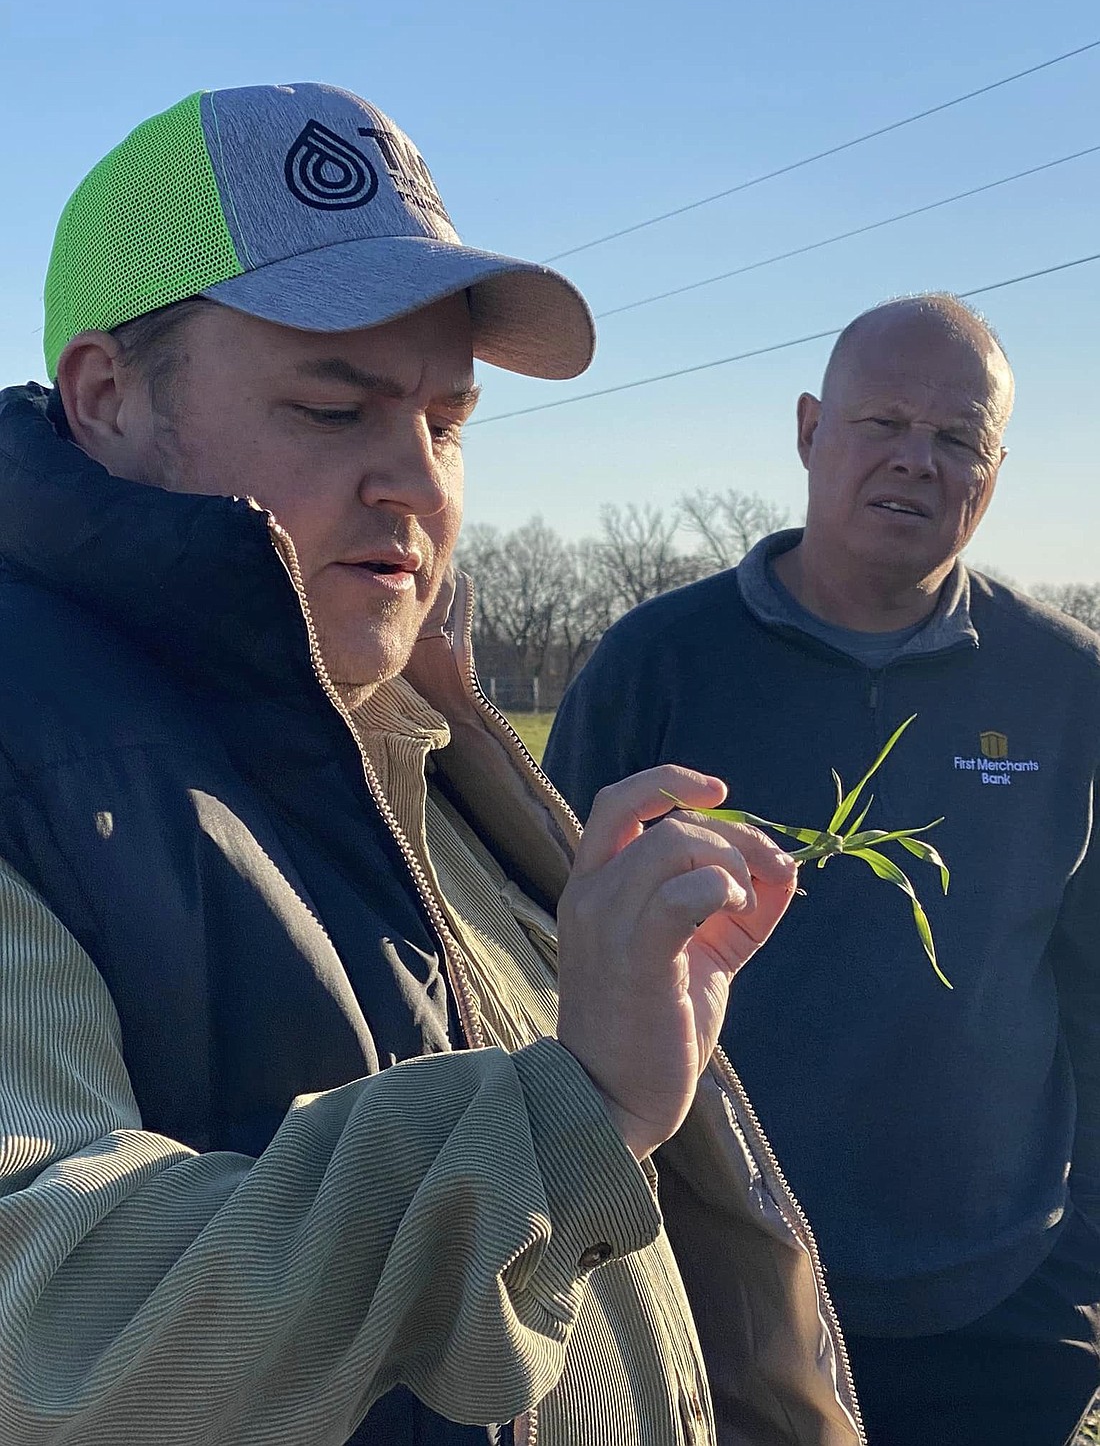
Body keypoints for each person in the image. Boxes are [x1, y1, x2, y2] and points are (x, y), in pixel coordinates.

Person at [0, 83, 867, 1446]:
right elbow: (52, 1335)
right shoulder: (31, 754)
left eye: (448, 420)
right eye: (336, 406)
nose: (418, 478)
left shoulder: (409, 721)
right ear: (108, 399)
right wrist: (564, 1109)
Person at [545, 294, 1100, 1446]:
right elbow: (538, 949)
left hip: (997, 1307)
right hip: (705, 1287)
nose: (916, 458)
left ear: (992, 474)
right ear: (807, 429)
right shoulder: (656, 663)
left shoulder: (1066, 685)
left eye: (958, 439)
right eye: (882, 420)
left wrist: (1077, 1268)